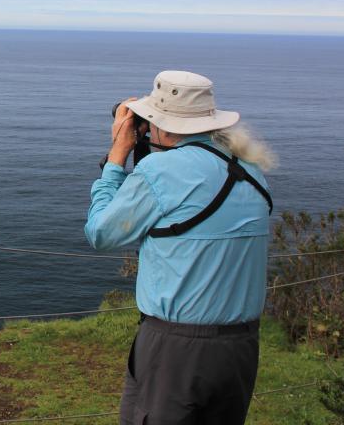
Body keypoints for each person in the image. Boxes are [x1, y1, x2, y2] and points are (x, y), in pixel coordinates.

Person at [85, 70, 277, 425]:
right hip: (241, 347)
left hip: (176, 347)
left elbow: (101, 232)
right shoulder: (250, 168)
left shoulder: (161, 171)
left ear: (159, 122)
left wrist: (118, 155)